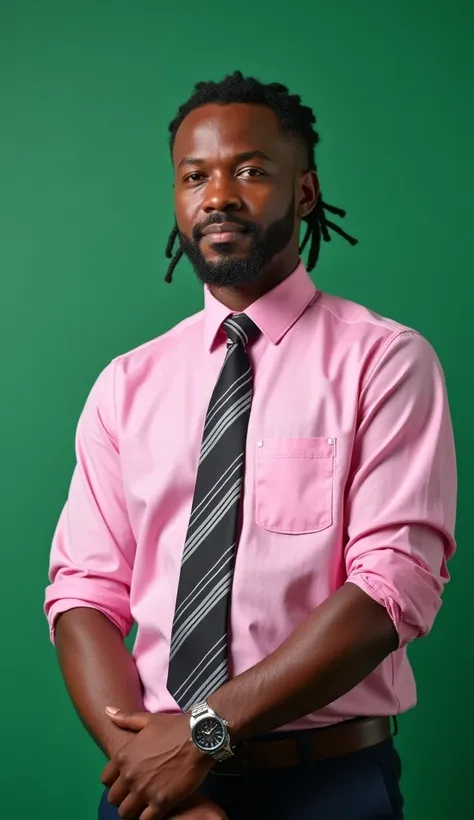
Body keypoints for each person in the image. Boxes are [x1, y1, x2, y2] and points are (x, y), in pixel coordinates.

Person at [44, 71, 457, 820]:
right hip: (152, 789)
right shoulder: (125, 384)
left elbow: (392, 587)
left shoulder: (386, 362)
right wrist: (149, 768)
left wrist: (204, 735)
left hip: (328, 786)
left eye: (252, 170)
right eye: (194, 174)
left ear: (305, 192)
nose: (219, 194)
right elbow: (82, 596)